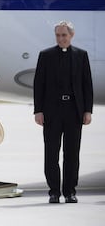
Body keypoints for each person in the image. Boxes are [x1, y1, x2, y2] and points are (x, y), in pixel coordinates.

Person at [33, 20, 93, 204]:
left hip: (74, 111)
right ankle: (53, 191)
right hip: (52, 111)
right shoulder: (46, 55)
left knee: (72, 153)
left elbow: (86, 85)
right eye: (58, 35)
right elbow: (39, 85)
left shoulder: (81, 56)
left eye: (64, 35)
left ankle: (70, 191)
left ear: (71, 36)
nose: (61, 39)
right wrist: (38, 110)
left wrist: (87, 111)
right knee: (51, 152)